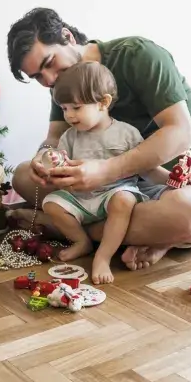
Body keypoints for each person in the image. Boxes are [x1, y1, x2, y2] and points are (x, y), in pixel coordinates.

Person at [6, 7, 191, 272]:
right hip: (112, 190)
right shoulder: (62, 83)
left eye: (48, 63)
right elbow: (54, 138)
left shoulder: (138, 55)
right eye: (37, 77)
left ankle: (63, 228)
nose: (48, 80)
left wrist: (105, 171)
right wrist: (43, 158)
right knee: (23, 176)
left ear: (67, 37)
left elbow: (181, 133)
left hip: (184, 182)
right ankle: (145, 235)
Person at [42, 61, 152, 284]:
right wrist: (54, 160)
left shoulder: (126, 133)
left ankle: (103, 256)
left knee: (124, 200)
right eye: (64, 109)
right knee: (51, 203)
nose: (69, 115)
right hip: (81, 197)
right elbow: (61, 161)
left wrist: (171, 179)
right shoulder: (70, 136)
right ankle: (81, 241)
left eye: (76, 107)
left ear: (103, 103)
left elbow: (145, 166)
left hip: (114, 193)